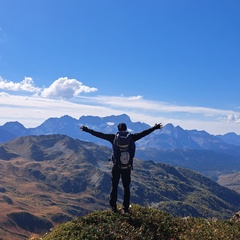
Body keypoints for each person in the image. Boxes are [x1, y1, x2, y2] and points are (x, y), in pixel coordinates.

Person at [80, 122, 163, 213]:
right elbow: (144, 133)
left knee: (114, 186)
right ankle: (125, 208)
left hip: (116, 166)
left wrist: (87, 130)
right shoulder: (132, 137)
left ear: (118, 129)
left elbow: (99, 134)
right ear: (126, 129)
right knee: (126, 188)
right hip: (127, 167)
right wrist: (154, 128)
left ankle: (113, 207)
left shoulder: (113, 137)